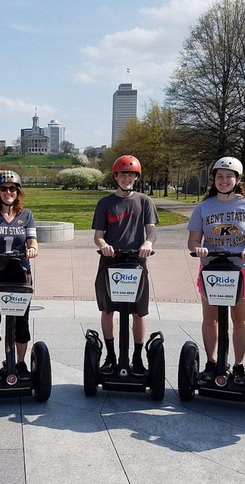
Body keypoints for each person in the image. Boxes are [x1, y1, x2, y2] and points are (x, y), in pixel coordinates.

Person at [186, 157, 245, 385]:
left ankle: (239, 367)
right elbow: (193, 240)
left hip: (242, 268)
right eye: (219, 176)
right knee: (210, 319)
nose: (224, 180)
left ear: (238, 179)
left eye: (229, 176)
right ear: (213, 179)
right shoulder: (203, 207)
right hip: (212, 268)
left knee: (241, 320)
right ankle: (211, 363)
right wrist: (198, 249)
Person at [92, 155, 159, 377]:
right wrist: (104, 246)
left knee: (139, 313)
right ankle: (110, 356)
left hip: (136, 262)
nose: (126, 178)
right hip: (110, 262)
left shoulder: (144, 201)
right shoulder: (105, 203)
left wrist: (148, 242)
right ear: (115, 176)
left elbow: (151, 229)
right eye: (122, 174)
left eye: (130, 174)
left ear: (136, 177)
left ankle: (138, 358)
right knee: (107, 310)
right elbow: (98, 236)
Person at [0, 171, 38, 382]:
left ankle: (20, 363)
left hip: (20, 273)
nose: (8, 192)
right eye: (4, 188)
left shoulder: (26, 215)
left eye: (12, 188)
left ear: (18, 191)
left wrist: (32, 249)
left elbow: (32, 241)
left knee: (22, 321)